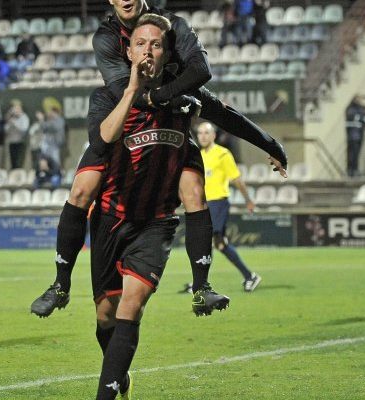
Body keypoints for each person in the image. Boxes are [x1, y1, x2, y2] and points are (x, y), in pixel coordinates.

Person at [30, 0, 287, 318]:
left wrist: (270, 144)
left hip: (168, 121)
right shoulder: (106, 37)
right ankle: (60, 284)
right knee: (82, 188)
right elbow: (129, 91)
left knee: (193, 190)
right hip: (125, 117)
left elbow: (202, 73)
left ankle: (201, 288)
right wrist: (173, 96)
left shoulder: (174, 25)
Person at [86, 15, 209, 398]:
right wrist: (134, 91)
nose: (147, 50)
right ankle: (118, 371)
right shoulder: (107, 96)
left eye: (156, 44)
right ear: (128, 50)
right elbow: (101, 142)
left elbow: (228, 115)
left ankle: (105, 393)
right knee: (106, 314)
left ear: (165, 51)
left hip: (156, 222)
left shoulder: (184, 102)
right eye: (140, 44)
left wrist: (270, 146)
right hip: (110, 218)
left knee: (132, 304)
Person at [183, 121, 262, 293]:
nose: (202, 136)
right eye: (200, 133)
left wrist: (248, 200)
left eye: (206, 133)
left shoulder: (223, 154)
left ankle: (200, 282)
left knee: (207, 241)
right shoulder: (199, 155)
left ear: (214, 136)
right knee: (220, 244)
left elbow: (237, 179)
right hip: (204, 204)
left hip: (218, 202)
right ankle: (249, 276)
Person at [345, 96, 365, 177]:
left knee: (356, 154)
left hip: (359, 135)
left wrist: (362, 119)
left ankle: (355, 170)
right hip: (352, 136)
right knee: (352, 154)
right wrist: (361, 118)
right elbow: (352, 117)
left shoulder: (362, 109)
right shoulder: (350, 109)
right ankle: (351, 170)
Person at [4, 100, 29, 169]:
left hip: (20, 142)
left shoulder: (24, 117)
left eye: (16, 109)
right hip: (12, 141)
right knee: (13, 160)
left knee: (19, 160)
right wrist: (10, 121)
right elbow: (6, 129)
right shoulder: (12, 118)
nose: (15, 111)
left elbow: (24, 129)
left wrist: (15, 123)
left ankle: (19, 173)